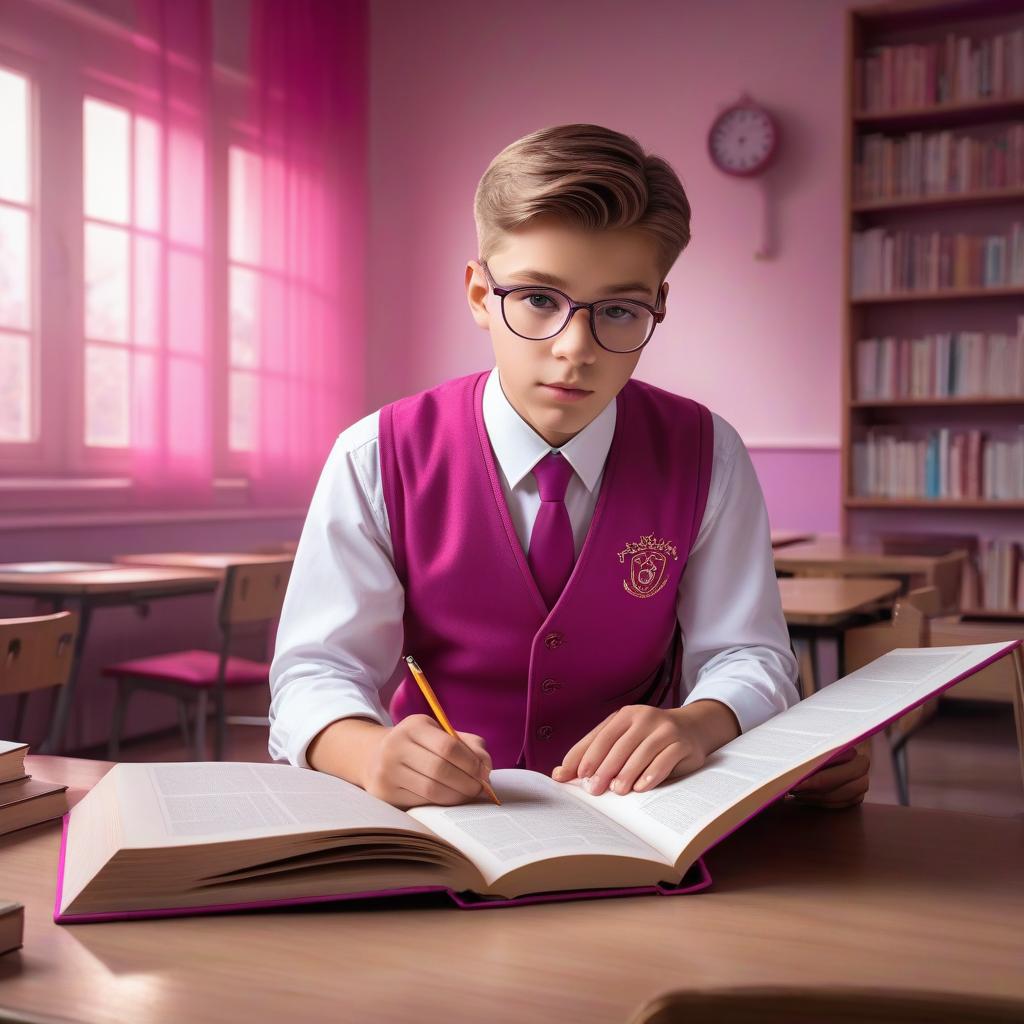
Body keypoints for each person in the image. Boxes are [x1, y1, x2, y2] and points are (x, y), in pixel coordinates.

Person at [268, 122, 871, 812]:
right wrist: (370, 751)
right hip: (443, 822)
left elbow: (750, 655)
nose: (575, 348)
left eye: (618, 310)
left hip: (650, 815)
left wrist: (695, 725)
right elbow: (318, 670)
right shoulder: (375, 457)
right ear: (477, 296)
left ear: (659, 307)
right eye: (537, 300)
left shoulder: (710, 454)